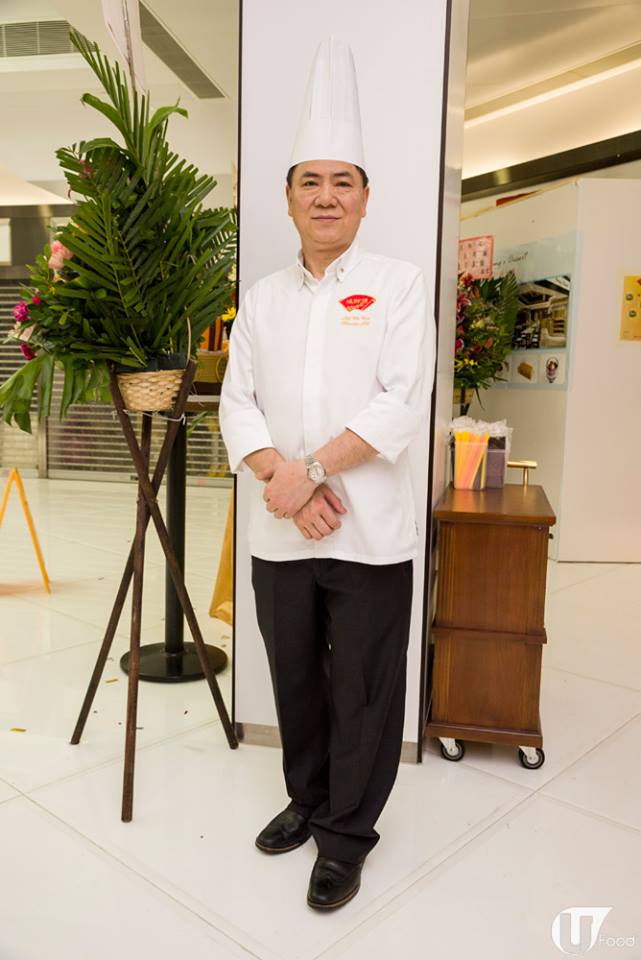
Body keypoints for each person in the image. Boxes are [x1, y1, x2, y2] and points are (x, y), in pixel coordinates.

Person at [219, 37, 436, 911]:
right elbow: (237, 403)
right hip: (283, 529)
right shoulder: (263, 297)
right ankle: (307, 800)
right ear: (287, 197)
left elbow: (398, 402)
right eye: (309, 181)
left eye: (342, 181)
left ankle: (346, 835)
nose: (325, 196)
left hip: (368, 530)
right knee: (296, 681)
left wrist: (305, 471)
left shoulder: (397, 284)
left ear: (365, 197)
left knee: (365, 689)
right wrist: (286, 480)